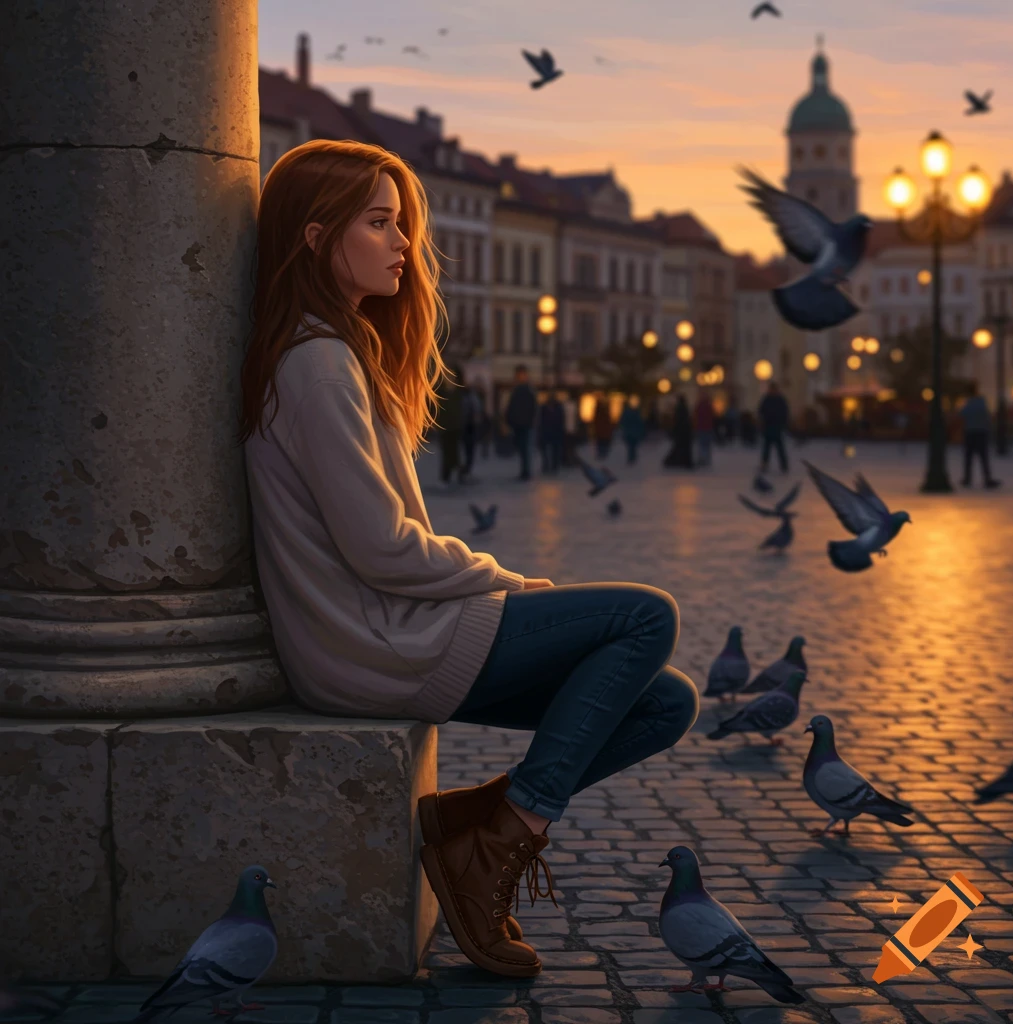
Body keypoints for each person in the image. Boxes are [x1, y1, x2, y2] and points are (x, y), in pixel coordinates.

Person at [238, 140, 701, 981]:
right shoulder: (317, 362)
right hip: (375, 642)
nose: (402, 243)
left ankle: (471, 825)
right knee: (645, 617)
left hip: (383, 633)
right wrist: (505, 581)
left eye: (400, 223)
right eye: (379, 223)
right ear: (314, 238)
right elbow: (381, 546)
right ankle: (498, 845)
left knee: (665, 703)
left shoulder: (337, 351)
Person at [958, 383, 1001, 488]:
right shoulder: (982, 403)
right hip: (982, 432)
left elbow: (962, 414)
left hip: (971, 432)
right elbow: (988, 417)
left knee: (969, 458)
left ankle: (967, 479)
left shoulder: (969, 403)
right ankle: (987, 479)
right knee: (984, 458)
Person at [505, 364, 538, 480]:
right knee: (522, 448)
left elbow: (532, 408)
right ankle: (524, 471)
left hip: (526, 425)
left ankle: (526, 471)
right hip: (519, 424)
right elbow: (511, 407)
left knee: (526, 449)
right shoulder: (517, 390)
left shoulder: (528, 390)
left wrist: (530, 421)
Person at [435, 364, 464, 485]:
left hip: (456, 426)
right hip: (444, 426)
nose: (449, 378)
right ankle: (446, 475)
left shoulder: (458, 392)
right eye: (447, 375)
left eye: (451, 375)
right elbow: (435, 409)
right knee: (446, 451)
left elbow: (461, 408)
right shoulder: (440, 392)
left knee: (454, 451)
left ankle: (456, 471)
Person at [758, 381, 789, 473]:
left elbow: (785, 413)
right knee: (766, 448)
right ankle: (765, 464)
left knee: (780, 448)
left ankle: (783, 465)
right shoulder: (767, 399)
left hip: (777, 427)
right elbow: (761, 411)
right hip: (768, 427)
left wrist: (783, 424)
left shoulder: (780, 400)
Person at [662, 392, 694, 469]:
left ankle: (679, 462)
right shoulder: (683, 408)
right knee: (683, 448)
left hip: (681, 432)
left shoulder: (680, 408)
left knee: (679, 447)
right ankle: (684, 462)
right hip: (684, 432)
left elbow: (677, 421)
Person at [460, 376, 482, 482]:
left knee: (469, 450)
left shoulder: (471, 396)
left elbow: (476, 411)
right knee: (466, 450)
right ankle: (464, 470)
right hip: (466, 426)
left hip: (470, 426)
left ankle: (467, 470)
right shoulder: (465, 396)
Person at [539, 391, 566, 474]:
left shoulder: (558, 407)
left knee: (555, 450)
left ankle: (554, 465)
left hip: (555, 431)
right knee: (546, 450)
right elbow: (541, 420)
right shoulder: (544, 407)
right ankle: (546, 465)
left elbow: (561, 420)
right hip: (546, 431)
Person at [619, 396, 646, 464]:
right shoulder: (634, 412)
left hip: (632, 432)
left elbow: (640, 423)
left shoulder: (635, 412)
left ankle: (632, 458)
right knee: (632, 446)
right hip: (631, 432)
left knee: (632, 446)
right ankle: (632, 458)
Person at [694, 392, 715, 467]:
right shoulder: (708, 406)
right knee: (706, 445)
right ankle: (706, 459)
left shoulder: (700, 406)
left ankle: (703, 459)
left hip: (702, 428)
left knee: (702, 445)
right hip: (707, 428)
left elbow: (695, 415)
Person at [592, 395, 614, 459]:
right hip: (602, 431)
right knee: (602, 442)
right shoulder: (602, 411)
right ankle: (602, 453)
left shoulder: (600, 411)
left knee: (602, 442)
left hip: (602, 431)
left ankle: (602, 454)